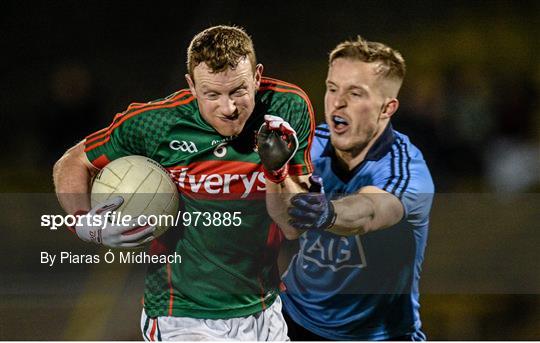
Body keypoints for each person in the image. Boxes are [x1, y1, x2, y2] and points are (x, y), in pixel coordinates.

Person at [53, 25, 315, 340]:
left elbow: (291, 226)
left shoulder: (287, 109)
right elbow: (72, 162)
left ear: (258, 77)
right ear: (191, 85)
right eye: (212, 95)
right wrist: (85, 223)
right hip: (181, 315)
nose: (228, 108)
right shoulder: (156, 123)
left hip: (263, 309)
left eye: (239, 91)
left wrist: (277, 171)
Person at [280, 36, 434, 340]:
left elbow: (369, 212)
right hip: (294, 317)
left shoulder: (407, 169)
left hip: (377, 334)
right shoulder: (308, 144)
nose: (337, 102)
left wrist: (327, 212)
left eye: (355, 93)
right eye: (332, 88)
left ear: (387, 108)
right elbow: (287, 225)